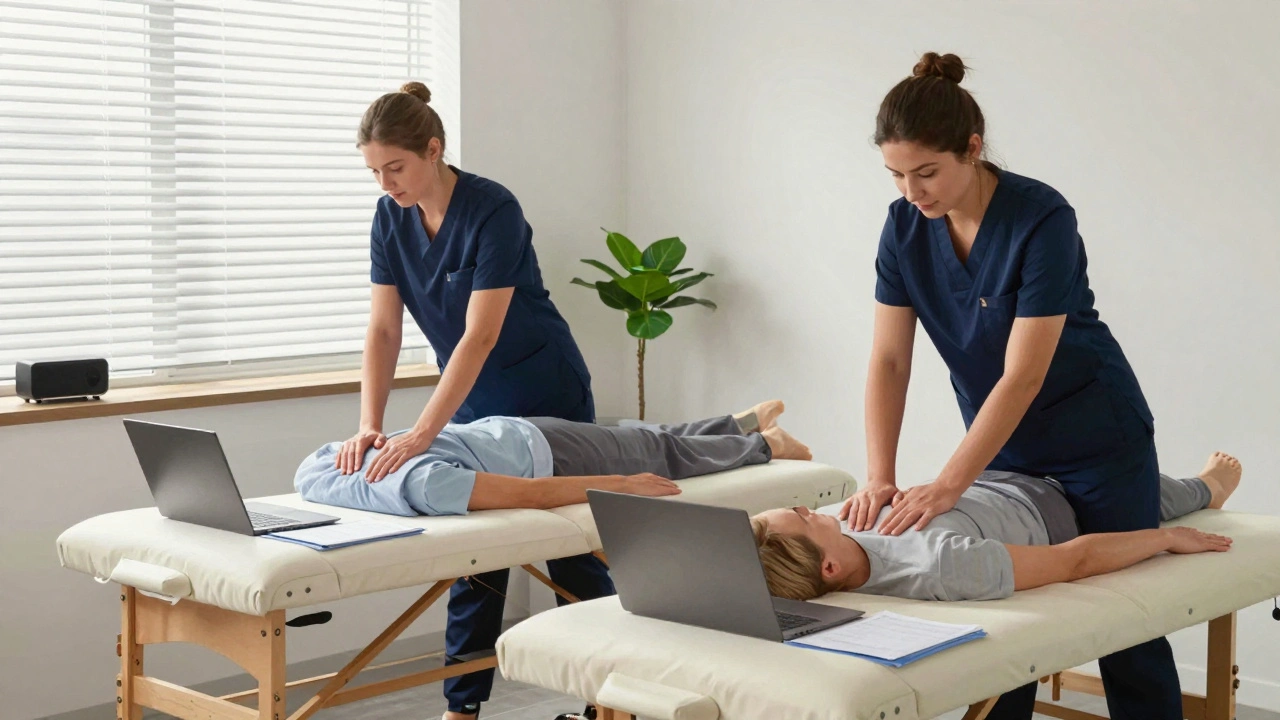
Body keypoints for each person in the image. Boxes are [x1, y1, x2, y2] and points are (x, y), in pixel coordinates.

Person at [849, 51, 1190, 719]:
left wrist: (948, 483)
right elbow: (890, 361)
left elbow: (1025, 372)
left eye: (926, 172)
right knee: (1007, 623)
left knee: (1128, 623)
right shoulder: (903, 230)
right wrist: (879, 475)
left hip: (1098, 437)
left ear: (972, 149)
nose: (912, 193)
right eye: (895, 175)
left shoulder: (1041, 218)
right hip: (1002, 446)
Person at [349, 81, 608, 719]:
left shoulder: (494, 209)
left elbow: (481, 334)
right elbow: (383, 329)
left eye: (396, 167)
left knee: (569, 548)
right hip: (468, 399)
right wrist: (370, 425)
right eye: (375, 171)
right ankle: (461, 709)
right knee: (475, 557)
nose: (386, 183)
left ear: (433, 149)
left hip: (544, 389)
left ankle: (609, 699)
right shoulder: (390, 218)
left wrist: (420, 433)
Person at [754, 451, 1240, 602]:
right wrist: (1166, 539)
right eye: (801, 519)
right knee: (1150, 494)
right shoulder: (941, 566)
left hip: (991, 473)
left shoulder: (843, 525)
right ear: (831, 566)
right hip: (1058, 500)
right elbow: (1074, 560)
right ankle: (1206, 487)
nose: (806, 508)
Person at [296, 400, 809, 516]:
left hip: (544, 450)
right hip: (511, 432)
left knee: (657, 450)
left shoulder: (429, 484)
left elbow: (531, 492)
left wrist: (624, 484)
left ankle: (765, 446)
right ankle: (745, 426)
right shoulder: (326, 465)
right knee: (642, 437)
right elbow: (528, 495)